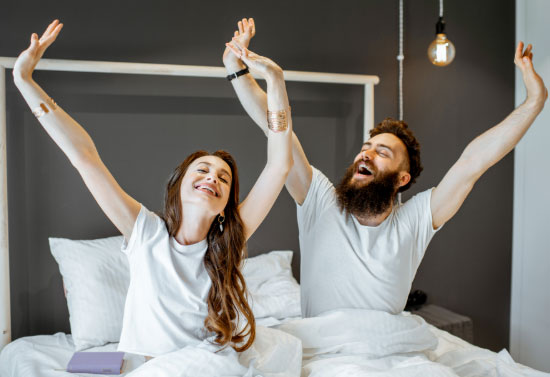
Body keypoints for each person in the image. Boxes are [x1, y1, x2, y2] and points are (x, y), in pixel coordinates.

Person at [224, 18, 547, 317]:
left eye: (382, 152)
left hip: (387, 355)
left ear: (402, 178)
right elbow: (277, 130)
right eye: (365, 148)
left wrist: (535, 101)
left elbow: (473, 162)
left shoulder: (415, 220)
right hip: (322, 356)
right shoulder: (319, 202)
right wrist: (238, 70)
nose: (366, 154)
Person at [13, 19, 293, 358]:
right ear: (179, 187)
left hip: (202, 367)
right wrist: (24, 81)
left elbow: (280, 165)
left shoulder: (226, 245)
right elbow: (84, 156)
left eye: (223, 178)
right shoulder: (146, 233)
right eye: (203, 169)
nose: (213, 178)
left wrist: (275, 80)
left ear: (225, 205)